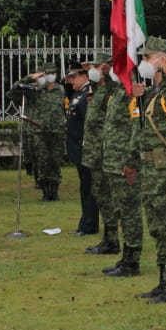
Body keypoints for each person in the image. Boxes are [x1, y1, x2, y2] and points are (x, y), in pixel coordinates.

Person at [132, 37, 166, 303]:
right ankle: (163, 281)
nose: (143, 62)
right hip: (152, 173)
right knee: (158, 229)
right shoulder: (155, 93)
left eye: (147, 57)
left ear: (164, 60)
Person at [99, 65, 143, 277]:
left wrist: (131, 162)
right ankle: (126, 257)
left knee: (130, 214)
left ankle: (132, 262)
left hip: (124, 165)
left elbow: (136, 130)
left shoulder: (132, 95)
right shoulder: (118, 92)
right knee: (123, 213)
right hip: (113, 164)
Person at [82, 55, 121, 254]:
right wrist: (93, 75)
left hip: (103, 153)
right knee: (100, 196)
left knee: (106, 197)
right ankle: (108, 238)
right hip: (94, 154)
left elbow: (115, 88)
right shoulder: (99, 90)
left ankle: (112, 241)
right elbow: (97, 86)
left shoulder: (112, 90)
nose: (92, 69)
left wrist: (107, 73)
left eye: (97, 66)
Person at [10, 62, 66, 201]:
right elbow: (14, 89)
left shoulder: (61, 90)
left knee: (55, 161)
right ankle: (46, 191)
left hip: (57, 130)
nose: (51, 76)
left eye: (53, 73)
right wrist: (30, 77)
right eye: (47, 73)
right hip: (40, 131)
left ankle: (55, 190)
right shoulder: (34, 90)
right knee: (42, 161)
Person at [64, 62, 98, 235]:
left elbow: (89, 124)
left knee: (88, 188)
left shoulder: (88, 95)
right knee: (85, 187)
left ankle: (89, 225)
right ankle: (86, 222)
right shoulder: (78, 94)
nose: (71, 80)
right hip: (77, 149)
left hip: (84, 148)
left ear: (85, 76)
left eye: (74, 77)